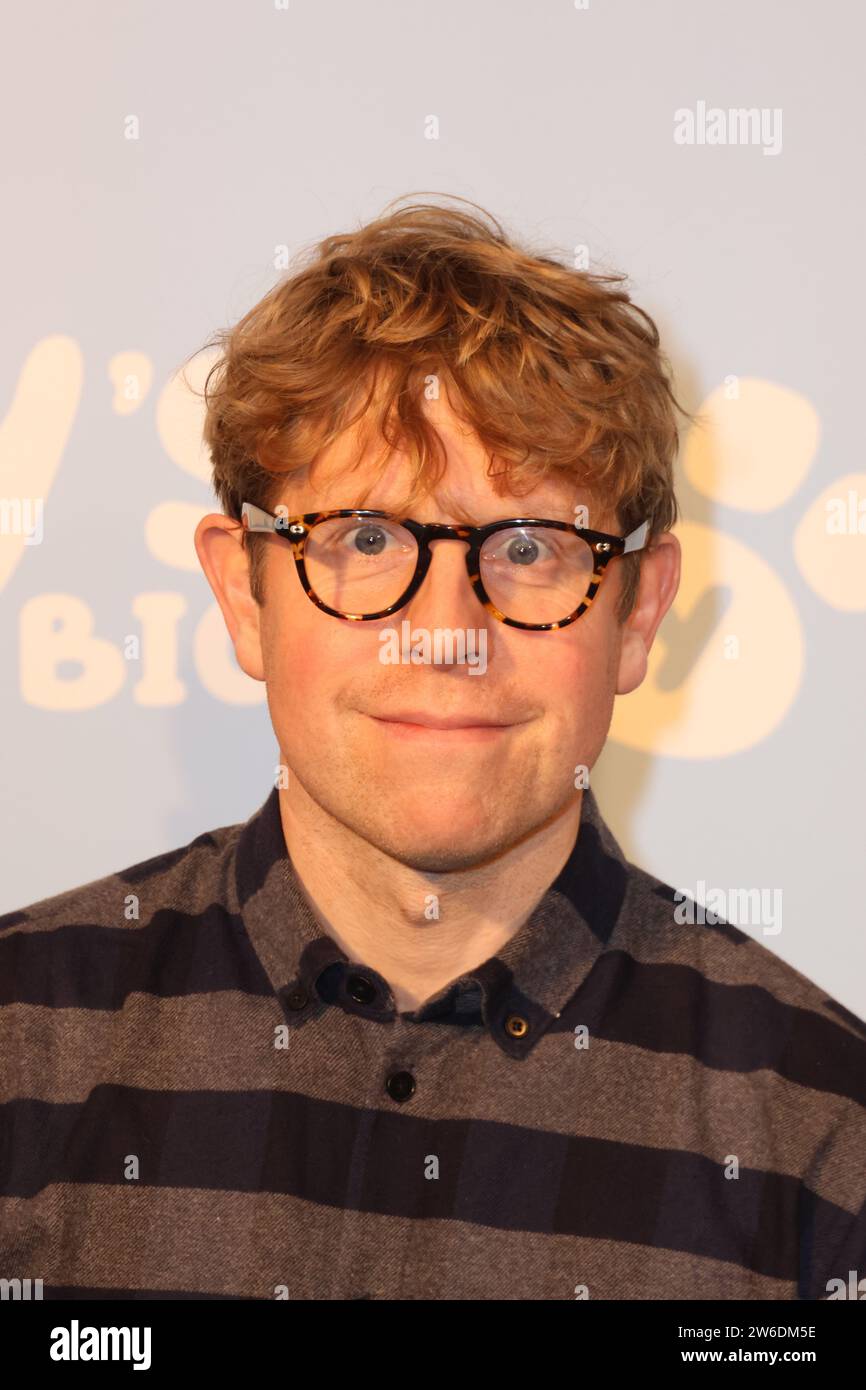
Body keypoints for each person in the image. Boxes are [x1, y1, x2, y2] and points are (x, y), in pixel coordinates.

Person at [1, 198, 863, 1301]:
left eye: (528, 546)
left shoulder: (822, 1141)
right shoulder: (20, 1048)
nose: (448, 632)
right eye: (366, 537)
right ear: (244, 597)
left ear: (638, 614)